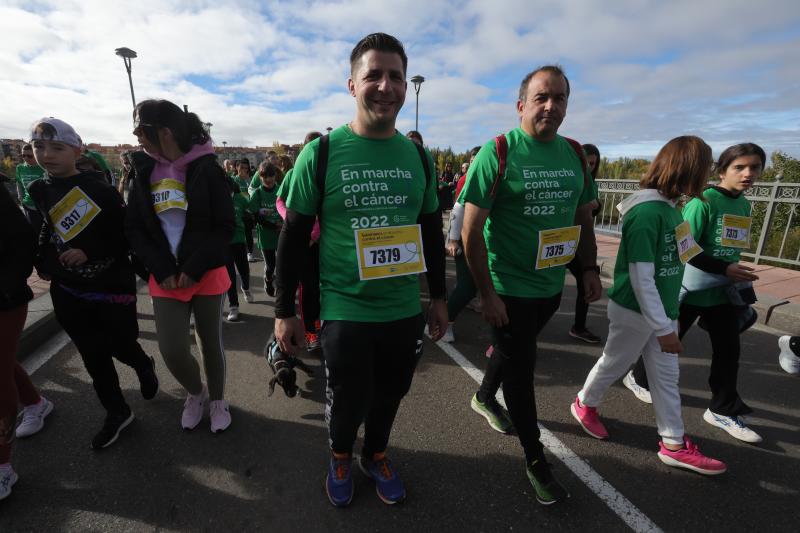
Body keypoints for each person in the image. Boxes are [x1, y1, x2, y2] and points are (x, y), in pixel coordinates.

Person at [274, 32, 447, 508]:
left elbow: (430, 229)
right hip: (345, 309)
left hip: (401, 309)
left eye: (396, 76)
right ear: (353, 85)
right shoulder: (323, 152)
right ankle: (340, 454)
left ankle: (376, 454)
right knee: (348, 398)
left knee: (391, 393)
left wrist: (438, 297)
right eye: (374, 75)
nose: (386, 86)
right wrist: (284, 309)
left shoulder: (417, 156)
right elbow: (292, 235)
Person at [459, 65, 601, 505]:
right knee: (522, 371)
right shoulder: (498, 152)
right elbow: (470, 231)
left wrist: (590, 268)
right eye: (541, 97)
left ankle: (484, 397)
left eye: (559, 98)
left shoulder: (575, 154)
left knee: (510, 352)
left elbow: (583, 217)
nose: (550, 106)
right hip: (508, 288)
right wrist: (487, 294)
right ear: (522, 104)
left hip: (550, 285)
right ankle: (535, 457)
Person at [571, 136, 728, 476]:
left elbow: (687, 251)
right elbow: (642, 279)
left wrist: (726, 268)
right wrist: (663, 329)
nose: (707, 175)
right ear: (686, 169)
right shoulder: (646, 213)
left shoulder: (671, 208)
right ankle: (585, 403)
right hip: (636, 311)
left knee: (667, 378)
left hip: (660, 311)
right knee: (615, 363)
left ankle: (673, 442)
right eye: (704, 167)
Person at [28, 117, 157, 450]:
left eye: (57, 147)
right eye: (38, 147)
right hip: (68, 291)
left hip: (112, 287)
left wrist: (89, 251)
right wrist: (42, 261)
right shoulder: (38, 189)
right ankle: (117, 412)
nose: (47, 155)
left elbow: (125, 236)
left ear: (76, 150)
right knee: (93, 357)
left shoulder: (98, 189)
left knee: (122, 345)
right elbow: (47, 226)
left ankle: (142, 362)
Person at [624, 143, 765, 443]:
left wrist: (732, 271)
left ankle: (722, 409)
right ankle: (638, 378)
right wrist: (724, 268)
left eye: (754, 167)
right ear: (722, 170)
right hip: (689, 289)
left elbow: (732, 245)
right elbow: (685, 249)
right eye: (739, 167)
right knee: (667, 343)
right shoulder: (703, 203)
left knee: (729, 351)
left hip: (722, 293)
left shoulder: (744, 205)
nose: (748, 173)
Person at [125, 99, 235, 434]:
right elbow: (135, 229)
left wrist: (194, 268)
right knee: (171, 349)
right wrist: (162, 268)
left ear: (164, 131)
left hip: (205, 272)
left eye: (140, 131)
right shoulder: (142, 171)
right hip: (166, 277)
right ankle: (195, 393)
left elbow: (224, 227)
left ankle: (217, 399)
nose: (136, 138)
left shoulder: (207, 168)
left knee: (209, 343)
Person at [1, 183, 54, 500]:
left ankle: (2, 466)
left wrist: (6, 286)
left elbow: (23, 239)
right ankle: (36, 402)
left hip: (3, 301)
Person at [275, 131, 323, 350]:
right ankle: (311, 334)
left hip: (322, 242)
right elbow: (280, 202)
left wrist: (315, 233)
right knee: (308, 289)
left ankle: (322, 329)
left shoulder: (326, 169)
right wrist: (293, 224)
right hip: (301, 242)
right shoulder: (294, 172)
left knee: (323, 290)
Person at [441, 147, 481, 343]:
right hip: (467, 240)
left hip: (486, 242)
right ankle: (443, 322)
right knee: (467, 287)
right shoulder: (471, 178)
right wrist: (453, 240)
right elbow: (458, 207)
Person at [566, 143, 602, 343]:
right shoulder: (569, 179)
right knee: (546, 293)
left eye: (593, 164)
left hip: (580, 242)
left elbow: (590, 213)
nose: (589, 167)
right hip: (560, 239)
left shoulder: (592, 184)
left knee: (585, 282)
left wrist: (594, 206)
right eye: (586, 163)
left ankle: (579, 326)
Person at [248, 162, 282, 297]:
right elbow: (256, 218)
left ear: (275, 175)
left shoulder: (281, 190)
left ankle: (281, 288)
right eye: (265, 177)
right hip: (266, 235)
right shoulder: (257, 193)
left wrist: (283, 224)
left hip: (281, 234)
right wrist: (274, 226)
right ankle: (268, 279)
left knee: (282, 264)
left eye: (271, 176)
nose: (268, 179)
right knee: (270, 266)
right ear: (260, 177)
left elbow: (288, 208)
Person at [225, 176, 253, 321]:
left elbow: (250, 211)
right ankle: (233, 306)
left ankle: (246, 288)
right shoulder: (216, 200)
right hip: (224, 243)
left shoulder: (239, 198)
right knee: (229, 275)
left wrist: (249, 219)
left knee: (243, 269)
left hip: (239, 241)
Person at [15, 143, 45, 230]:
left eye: (29, 156)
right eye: (23, 155)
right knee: (36, 231)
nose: (26, 158)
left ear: (36, 154)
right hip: (29, 205)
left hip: (45, 206)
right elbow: (19, 183)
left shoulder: (44, 166)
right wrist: (21, 198)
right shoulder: (20, 168)